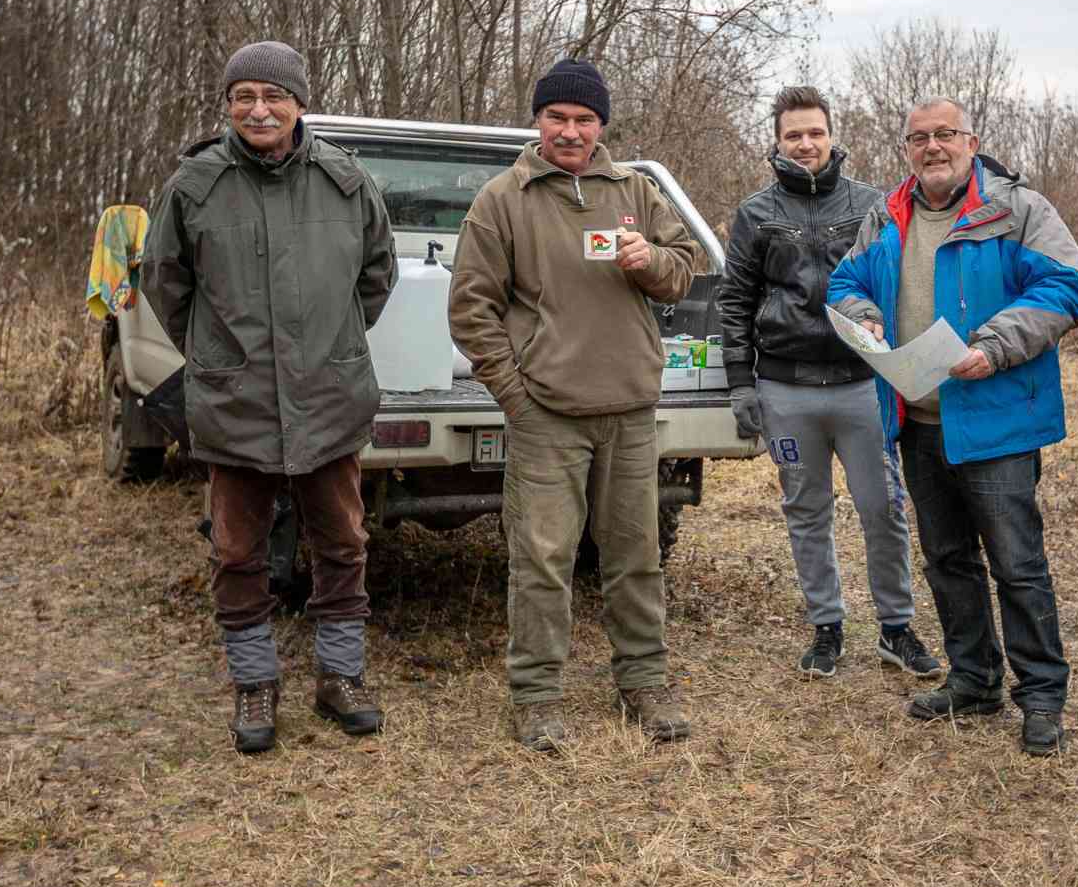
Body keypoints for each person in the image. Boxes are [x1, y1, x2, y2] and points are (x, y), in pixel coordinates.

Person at [142, 40, 399, 754]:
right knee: (236, 551)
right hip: (237, 402)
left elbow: (376, 275)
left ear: (299, 103)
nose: (259, 110)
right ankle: (254, 682)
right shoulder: (194, 185)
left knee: (342, 542)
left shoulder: (345, 181)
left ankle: (340, 676)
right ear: (228, 106)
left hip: (329, 396)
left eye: (273, 96)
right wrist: (218, 354)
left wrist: (330, 342)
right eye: (244, 97)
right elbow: (165, 282)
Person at [448, 58, 701, 751]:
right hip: (547, 417)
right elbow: (471, 310)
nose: (569, 131)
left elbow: (683, 271)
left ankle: (644, 682)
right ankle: (536, 695)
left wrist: (651, 261)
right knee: (542, 559)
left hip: (630, 410)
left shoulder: (637, 190)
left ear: (601, 125)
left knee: (635, 554)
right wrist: (517, 396)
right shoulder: (503, 200)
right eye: (556, 117)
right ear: (538, 120)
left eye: (584, 119)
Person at [827, 98, 1078, 755]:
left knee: (1017, 564)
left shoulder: (1017, 209)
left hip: (996, 420)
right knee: (947, 560)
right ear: (906, 149)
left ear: (972, 142)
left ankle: (1042, 697)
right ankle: (974, 679)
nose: (932, 147)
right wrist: (864, 315)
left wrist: (995, 345)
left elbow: (1063, 288)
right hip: (918, 420)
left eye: (945, 134)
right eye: (919, 138)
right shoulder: (887, 214)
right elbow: (844, 283)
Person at [719, 86, 941, 680]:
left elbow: (899, 285)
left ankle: (896, 627)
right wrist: (740, 384)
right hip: (785, 387)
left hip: (862, 384)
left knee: (883, 507)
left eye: (815, 132)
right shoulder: (756, 213)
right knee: (806, 509)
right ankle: (826, 626)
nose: (805, 144)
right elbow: (735, 301)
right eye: (793, 134)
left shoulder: (872, 205)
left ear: (831, 135)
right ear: (776, 142)